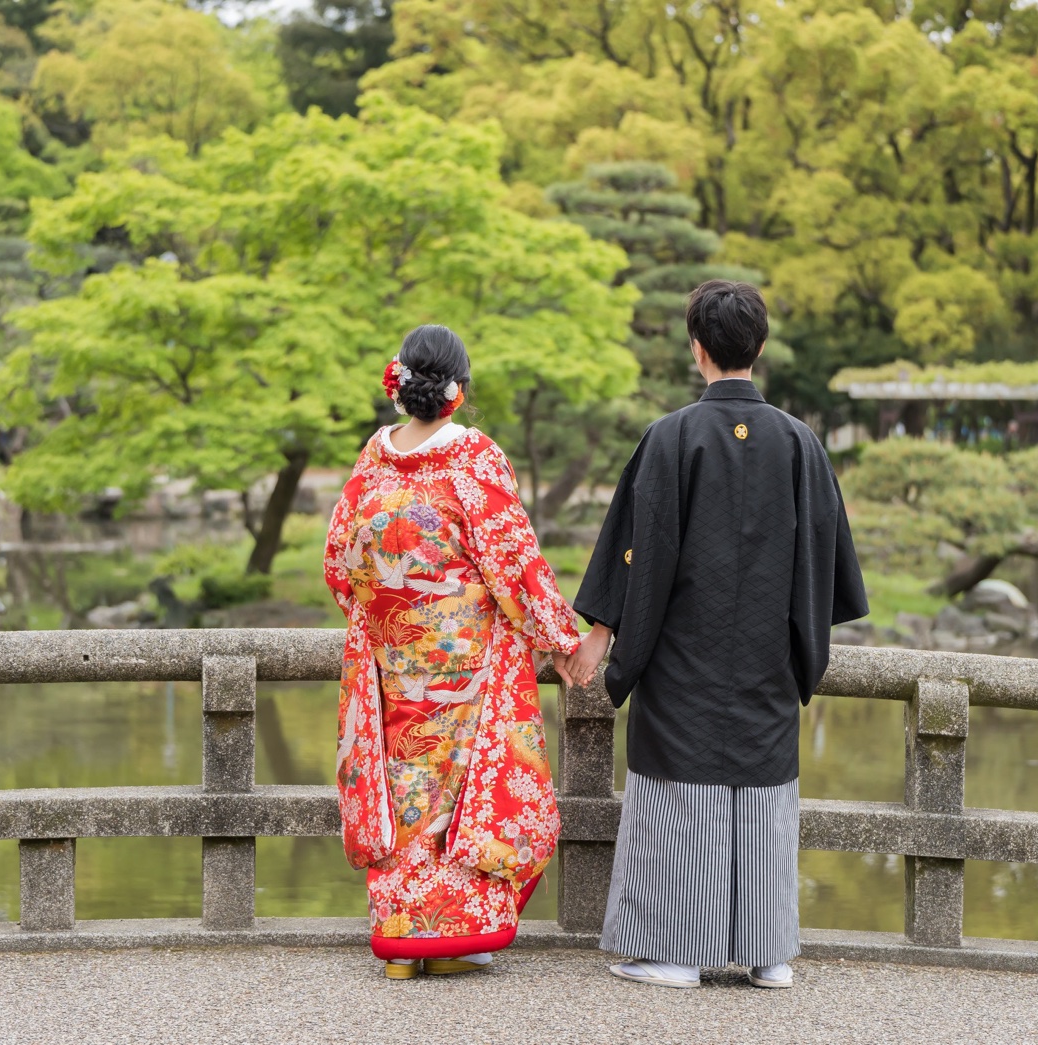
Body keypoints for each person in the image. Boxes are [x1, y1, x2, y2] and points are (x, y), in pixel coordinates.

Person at [566, 280, 867, 990]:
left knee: (676, 798)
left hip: (679, 658)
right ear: (757, 348)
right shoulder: (799, 442)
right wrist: (796, 644)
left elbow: (632, 550)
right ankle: (769, 955)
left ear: (695, 346)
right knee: (762, 799)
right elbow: (825, 562)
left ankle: (673, 954)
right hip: (765, 655)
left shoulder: (669, 436)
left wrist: (601, 637)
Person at [324, 324, 581, 980]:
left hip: (393, 665)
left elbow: (338, 563)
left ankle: (402, 940)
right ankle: (449, 940)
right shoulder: (474, 459)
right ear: (457, 393)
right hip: (466, 666)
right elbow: (514, 561)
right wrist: (561, 638)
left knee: (405, 792)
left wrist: (390, 619)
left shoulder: (371, 461)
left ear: (400, 384)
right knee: (463, 799)